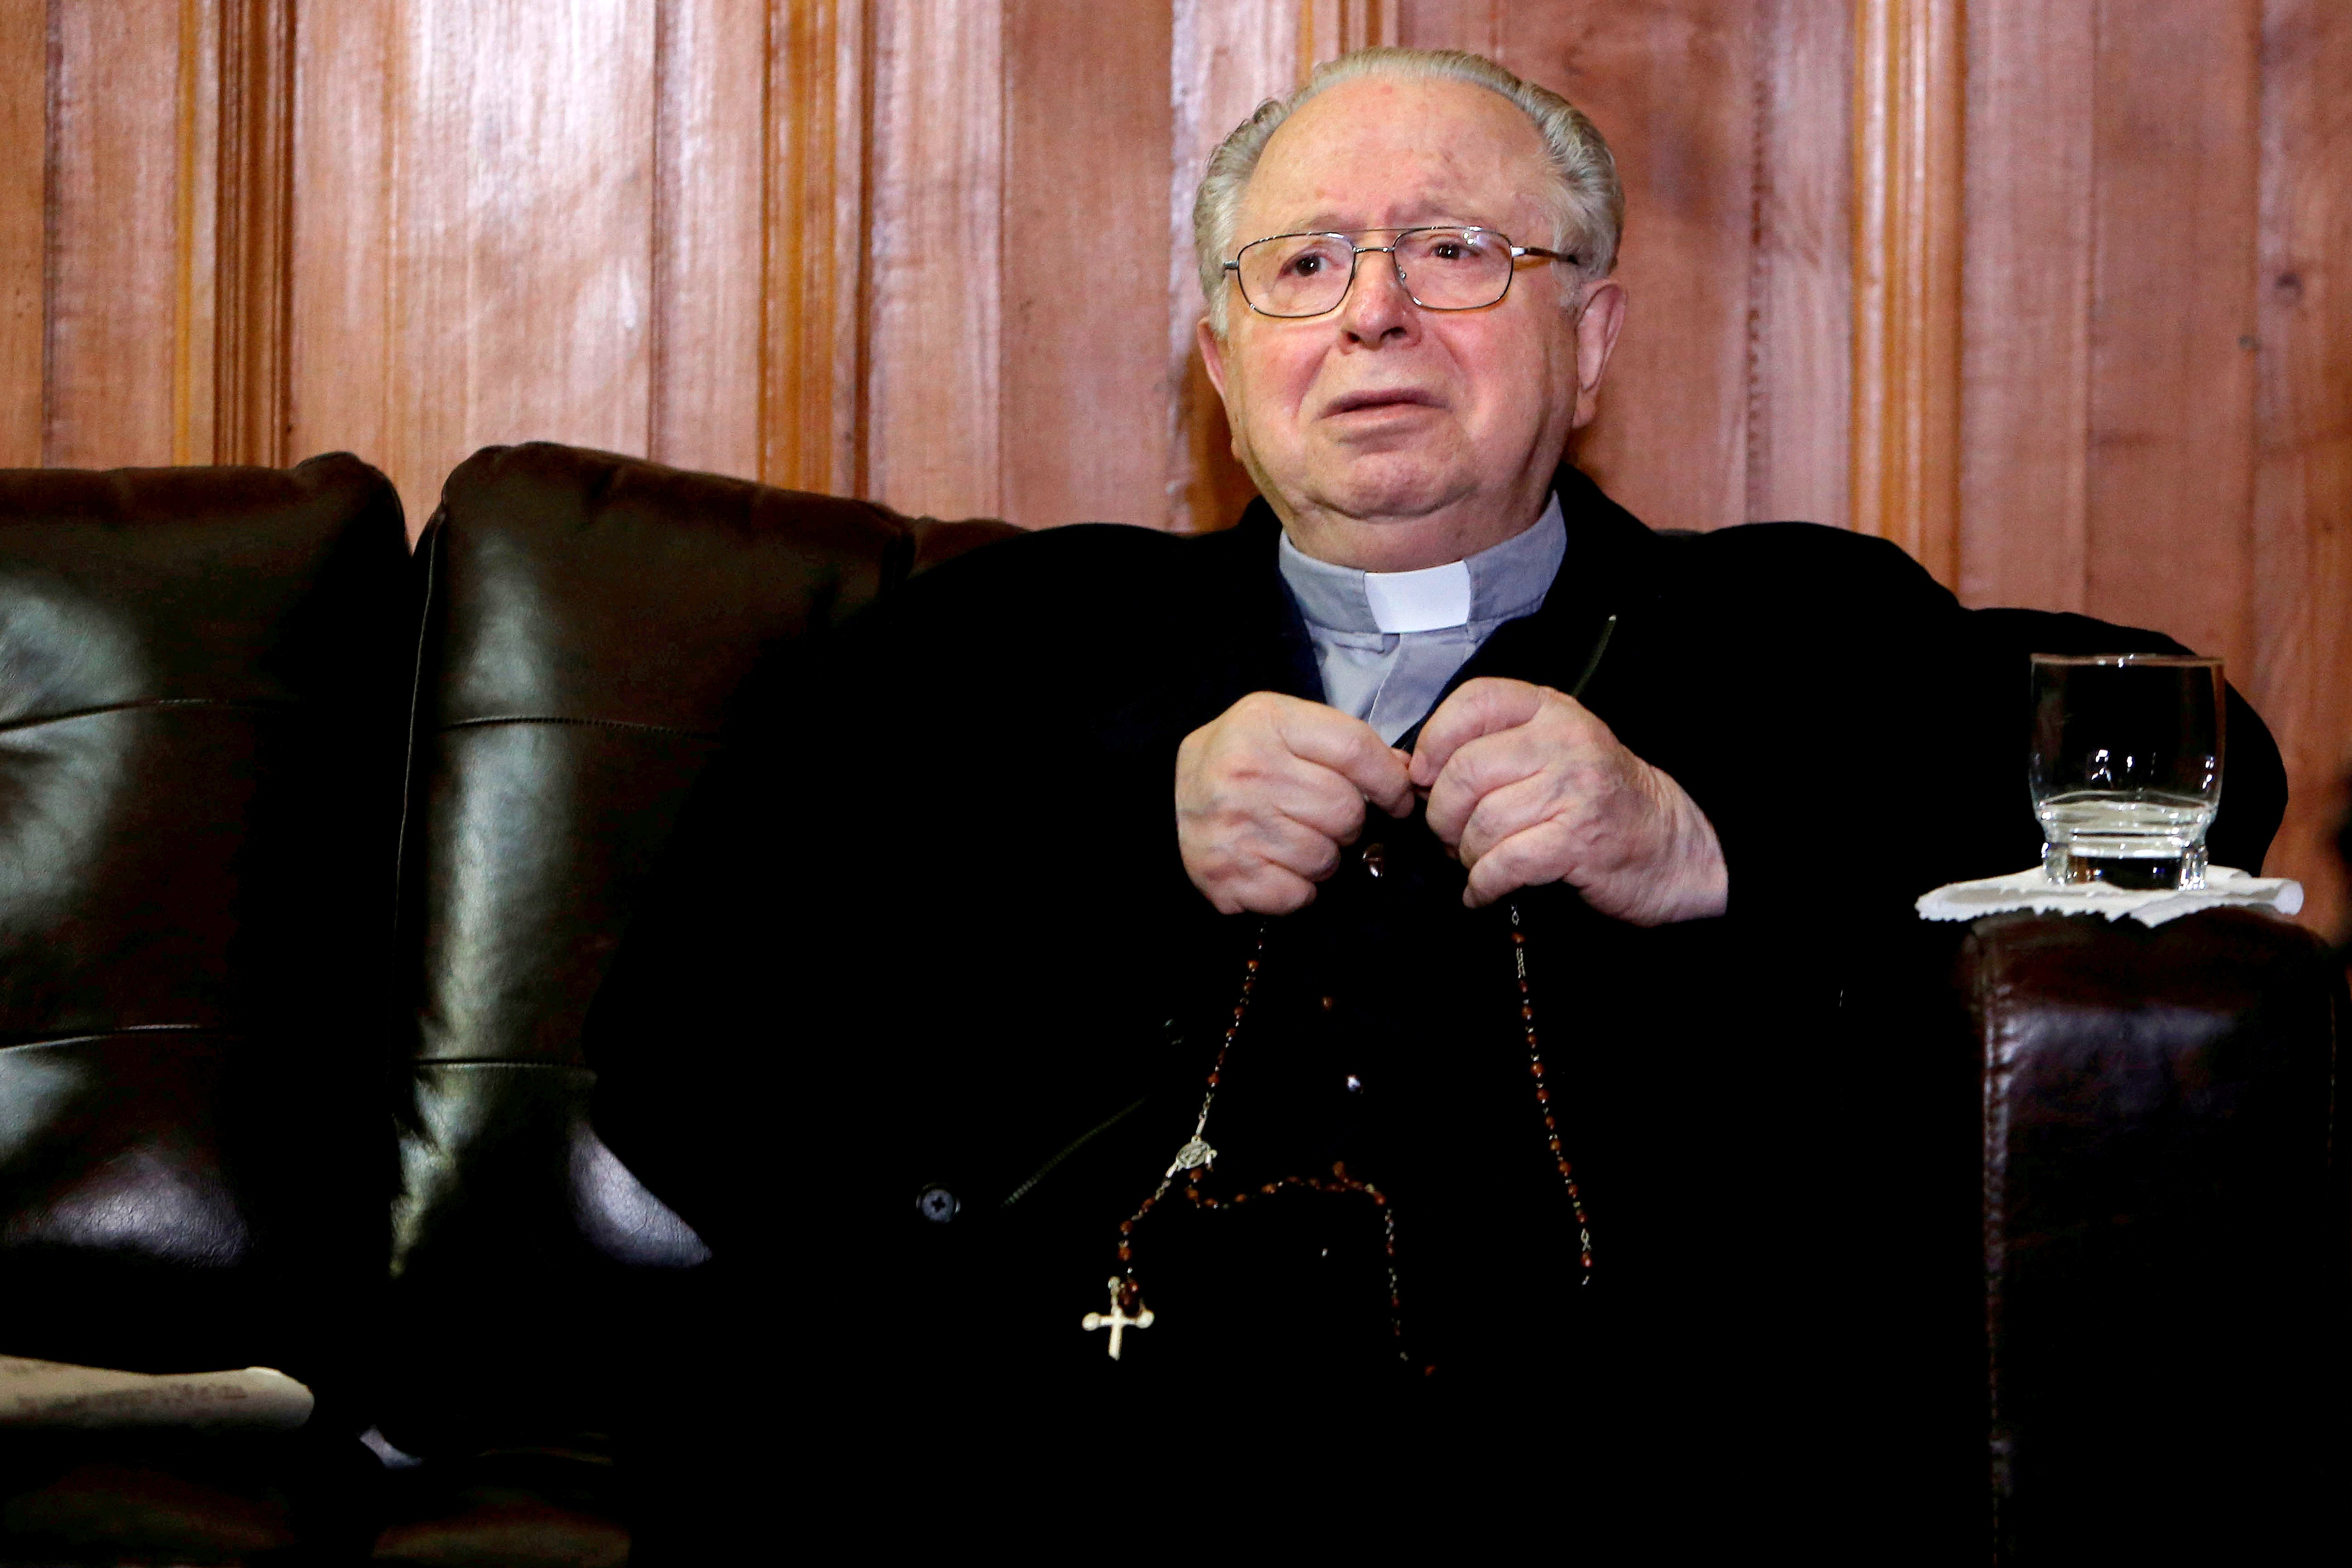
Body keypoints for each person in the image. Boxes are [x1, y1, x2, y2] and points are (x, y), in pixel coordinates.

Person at [588, 47, 2284, 1509]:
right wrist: (1119, 836)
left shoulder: (1798, 621)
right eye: (1305, 263)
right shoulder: (1001, 642)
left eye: (1457, 252)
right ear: (1224, 356)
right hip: (1065, 1462)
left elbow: (2207, 760)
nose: (1376, 310)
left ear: (1592, 337)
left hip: (1628, 1478)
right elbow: (681, 1049)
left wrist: (1708, 842)